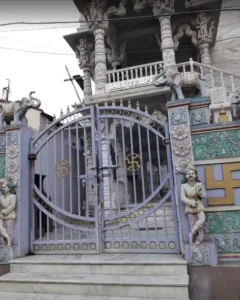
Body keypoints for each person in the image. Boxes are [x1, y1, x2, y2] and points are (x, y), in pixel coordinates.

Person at [181, 165, 206, 245]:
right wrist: (190, 202)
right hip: (189, 206)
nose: (191, 175)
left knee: (201, 220)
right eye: (188, 174)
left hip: (198, 204)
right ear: (185, 176)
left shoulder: (199, 184)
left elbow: (204, 195)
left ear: (195, 175)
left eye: (192, 173)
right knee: (192, 223)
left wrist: (200, 194)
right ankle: (194, 239)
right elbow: (182, 197)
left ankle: (192, 234)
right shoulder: (183, 186)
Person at [0, 179, 16, 247]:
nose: (3, 189)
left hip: (10, 215)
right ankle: (7, 237)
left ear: (9, 188)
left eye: (5, 187)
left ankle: (8, 241)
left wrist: (5, 212)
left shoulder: (13, 196)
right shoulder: (1, 197)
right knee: (1, 227)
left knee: (9, 229)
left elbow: (12, 206)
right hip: (1, 215)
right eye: (2, 187)